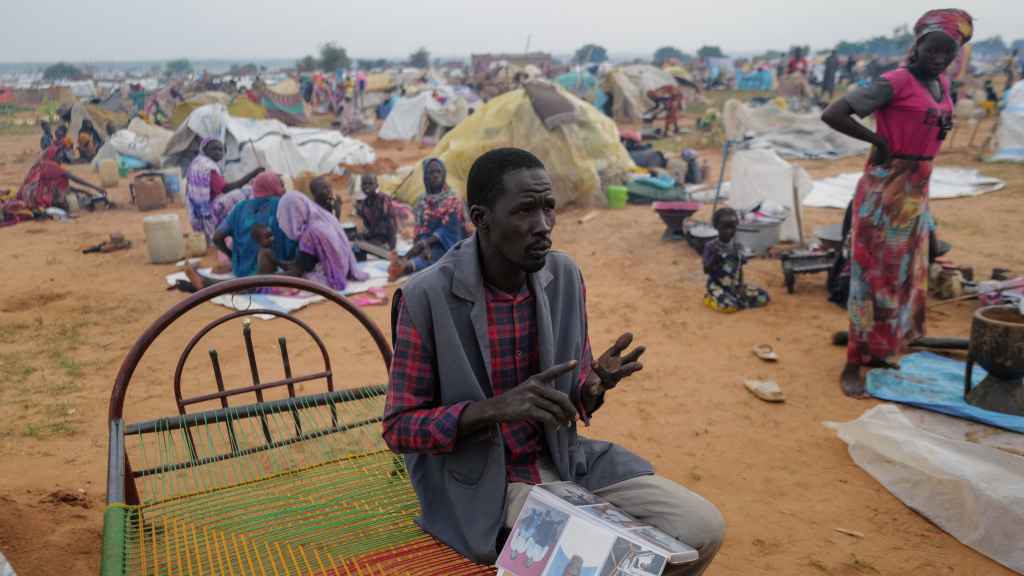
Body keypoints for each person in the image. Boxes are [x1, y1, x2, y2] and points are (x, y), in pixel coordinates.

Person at [382, 148, 724, 574]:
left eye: (548, 208)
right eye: (525, 211)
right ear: (480, 217)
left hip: (565, 459)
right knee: (598, 558)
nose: (543, 226)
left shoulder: (563, 277)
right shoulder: (426, 297)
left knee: (702, 528)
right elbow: (399, 429)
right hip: (483, 481)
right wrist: (492, 410)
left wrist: (592, 388)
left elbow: (569, 402)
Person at [821, 9, 972, 398]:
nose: (939, 57)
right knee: (872, 278)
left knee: (906, 275)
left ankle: (885, 347)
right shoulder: (895, 81)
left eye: (947, 52)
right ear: (916, 46)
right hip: (886, 188)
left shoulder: (940, 83)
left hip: (917, 189)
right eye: (932, 49)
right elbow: (834, 112)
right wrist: (880, 142)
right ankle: (855, 361)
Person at [388, 158, 469, 280]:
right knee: (422, 255)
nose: (436, 175)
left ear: (444, 174)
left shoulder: (453, 200)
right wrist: (423, 245)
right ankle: (403, 263)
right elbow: (421, 229)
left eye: (438, 172)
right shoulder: (422, 201)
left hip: (449, 245)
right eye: (431, 172)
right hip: (426, 243)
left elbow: (449, 232)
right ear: (425, 176)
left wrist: (424, 244)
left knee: (438, 258)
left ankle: (406, 266)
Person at [274, 191, 368, 291]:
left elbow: (303, 267)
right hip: (345, 268)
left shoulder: (309, 233)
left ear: (292, 213)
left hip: (331, 276)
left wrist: (272, 276)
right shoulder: (325, 217)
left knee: (287, 284)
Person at [212, 171, 295, 278]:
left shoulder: (240, 207)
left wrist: (231, 256)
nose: (284, 189)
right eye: (281, 185)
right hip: (273, 271)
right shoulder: (281, 204)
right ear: (273, 186)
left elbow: (217, 237)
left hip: (240, 272)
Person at [186, 137, 264, 242]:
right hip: (208, 213)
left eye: (220, 149)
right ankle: (241, 230)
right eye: (214, 149)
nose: (218, 152)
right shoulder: (208, 167)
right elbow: (227, 189)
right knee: (247, 192)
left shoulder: (197, 162)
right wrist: (253, 174)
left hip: (195, 214)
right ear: (204, 150)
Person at [702, 207, 770, 313]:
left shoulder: (738, 247)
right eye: (725, 227)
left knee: (763, 297)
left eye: (733, 227)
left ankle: (735, 300)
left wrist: (741, 285)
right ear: (716, 227)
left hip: (734, 286)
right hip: (717, 285)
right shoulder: (711, 246)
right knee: (729, 306)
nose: (729, 231)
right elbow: (706, 269)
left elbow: (739, 268)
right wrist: (716, 257)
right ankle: (710, 298)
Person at [15, 155, 105, 213]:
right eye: (59, 155)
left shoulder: (40, 167)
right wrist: (96, 188)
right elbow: (77, 180)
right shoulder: (54, 168)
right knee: (86, 202)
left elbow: (66, 187)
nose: (61, 158)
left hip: (30, 199)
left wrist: (85, 191)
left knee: (79, 195)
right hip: (44, 201)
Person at [355, 173, 398, 250]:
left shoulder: (383, 199)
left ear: (376, 185)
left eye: (370, 184)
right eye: (364, 184)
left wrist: (392, 245)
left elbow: (390, 223)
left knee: (364, 246)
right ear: (361, 186)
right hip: (375, 235)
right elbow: (368, 225)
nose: (367, 186)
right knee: (356, 240)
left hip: (386, 237)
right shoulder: (364, 204)